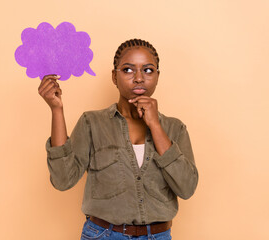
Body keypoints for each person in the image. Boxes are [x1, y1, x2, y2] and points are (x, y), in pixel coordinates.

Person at [38, 39, 198, 240]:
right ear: (114, 76)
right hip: (103, 235)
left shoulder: (175, 129)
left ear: (157, 76)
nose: (139, 78)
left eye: (148, 70)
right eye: (128, 70)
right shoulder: (92, 123)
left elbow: (187, 188)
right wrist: (56, 109)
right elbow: (63, 180)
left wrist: (155, 126)